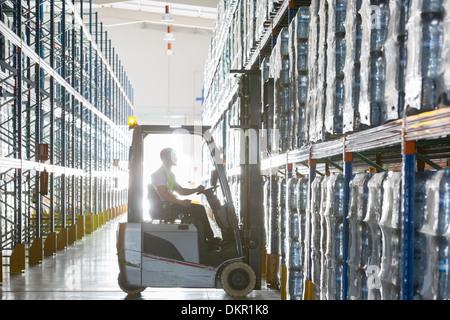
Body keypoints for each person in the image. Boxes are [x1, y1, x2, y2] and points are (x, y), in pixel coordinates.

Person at [149, 147, 220, 249]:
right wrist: (180, 202)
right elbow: (164, 195)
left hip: (171, 205)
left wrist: (196, 189)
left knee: (198, 209)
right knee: (198, 209)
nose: (176, 158)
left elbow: (181, 191)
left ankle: (206, 239)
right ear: (165, 159)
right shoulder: (160, 174)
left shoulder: (169, 174)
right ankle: (208, 239)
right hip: (165, 208)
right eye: (173, 156)